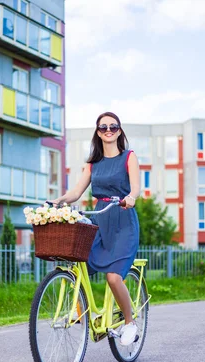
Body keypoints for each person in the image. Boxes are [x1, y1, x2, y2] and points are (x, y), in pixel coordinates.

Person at [51, 111, 140, 346]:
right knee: (77, 265)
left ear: (119, 130)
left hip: (123, 220)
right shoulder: (92, 164)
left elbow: (136, 188)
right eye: (103, 127)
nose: (108, 130)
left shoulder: (129, 157)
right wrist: (59, 200)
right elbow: (76, 192)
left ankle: (130, 323)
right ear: (97, 132)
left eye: (113, 127)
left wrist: (130, 197)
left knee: (113, 276)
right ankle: (80, 312)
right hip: (100, 221)